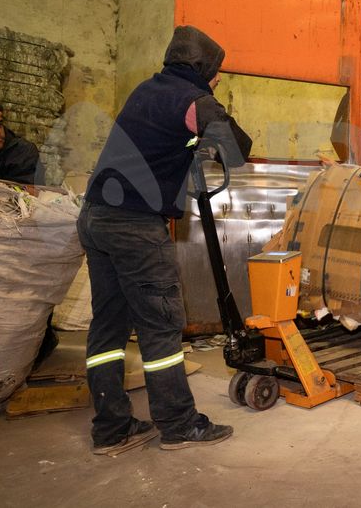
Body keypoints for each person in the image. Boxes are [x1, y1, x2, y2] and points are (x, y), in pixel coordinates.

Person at [79, 25, 252, 454]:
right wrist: (211, 124)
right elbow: (238, 150)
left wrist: (191, 146)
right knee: (161, 326)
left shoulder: (147, 90)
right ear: (203, 68)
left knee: (108, 327)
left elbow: (160, 140)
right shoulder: (192, 99)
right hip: (134, 224)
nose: (218, 78)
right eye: (217, 71)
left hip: (96, 216)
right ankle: (178, 425)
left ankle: (112, 429)